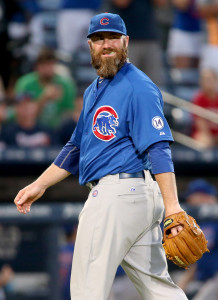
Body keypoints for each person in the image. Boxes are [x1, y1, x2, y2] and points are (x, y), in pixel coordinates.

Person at [14, 12, 188, 300]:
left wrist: (173, 208)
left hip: (117, 196)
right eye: (98, 39)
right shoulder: (95, 90)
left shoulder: (138, 86)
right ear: (90, 46)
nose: (105, 44)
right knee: (160, 291)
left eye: (112, 38)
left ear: (126, 42)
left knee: (86, 291)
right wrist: (39, 185)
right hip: (134, 199)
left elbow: (158, 147)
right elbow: (75, 147)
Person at [104, 0, 167, 85]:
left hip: (150, 38)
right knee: (125, 82)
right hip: (126, 40)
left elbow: (161, 3)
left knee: (154, 84)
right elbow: (121, 3)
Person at [14, 47, 77, 129]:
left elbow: (70, 113)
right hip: (31, 128)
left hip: (57, 129)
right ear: (36, 66)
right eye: (44, 65)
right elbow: (21, 114)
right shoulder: (25, 83)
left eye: (51, 64)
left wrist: (60, 102)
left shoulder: (65, 85)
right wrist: (44, 98)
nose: (47, 69)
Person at [178, 179, 218, 300]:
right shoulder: (201, 223)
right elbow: (197, 262)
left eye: (192, 198)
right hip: (206, 280)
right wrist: (181, 286)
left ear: (203, 197)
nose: (190, 202)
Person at [167, 0, 203, 69]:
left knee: (198, 73)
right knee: (183, 74)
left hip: (202, 33)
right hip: (182, 32)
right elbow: (182, 5)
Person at [191, 68, 218, 148]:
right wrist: (211, 138)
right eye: (206, 80)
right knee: (204, 140)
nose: (208, 83)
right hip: (204, 133)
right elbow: (200, 122)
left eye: (210, 80)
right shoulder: (199, 98)